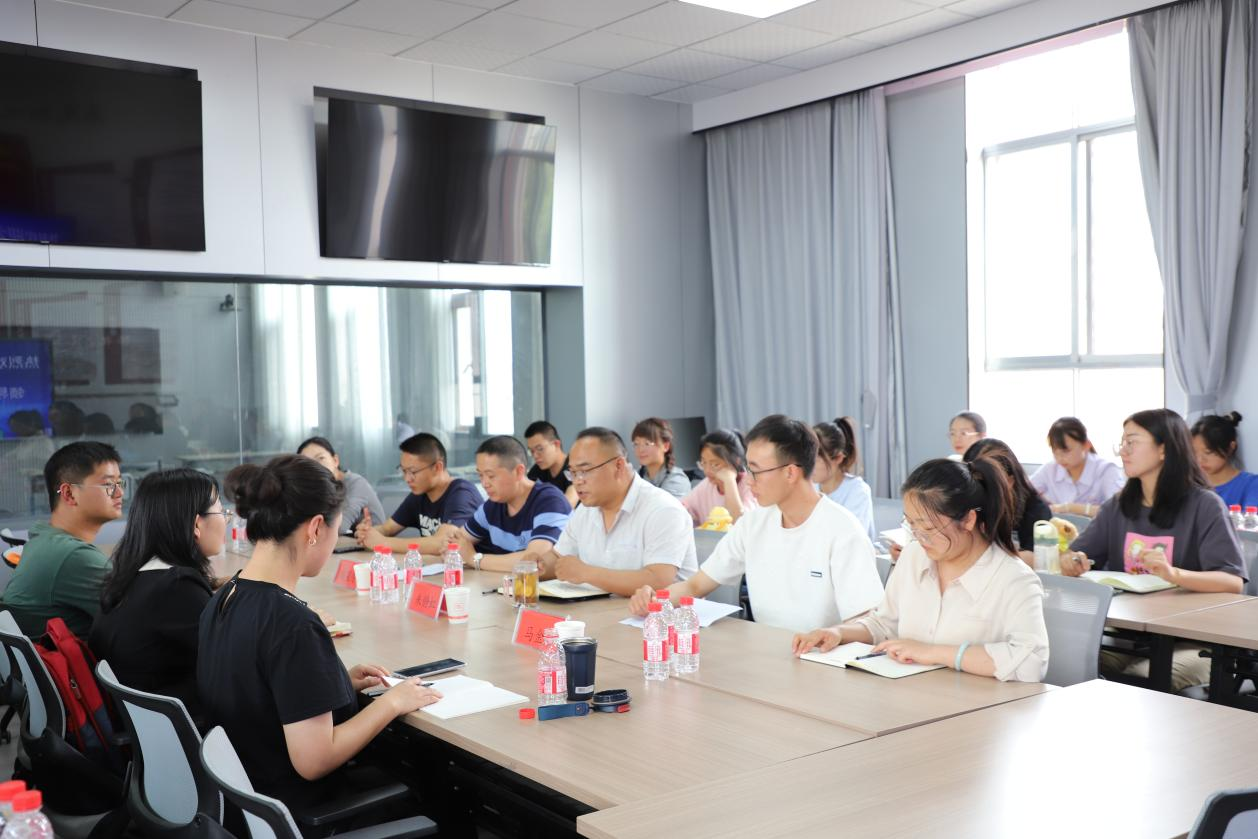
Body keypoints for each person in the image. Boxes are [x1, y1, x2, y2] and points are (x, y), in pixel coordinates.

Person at [198, 455, 441, 815]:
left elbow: (257, 690)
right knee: (439, 789)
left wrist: (335, 685)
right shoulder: (293, 623)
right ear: (315, 528)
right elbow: (314, 760)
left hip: (242, 800)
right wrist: (393, 702)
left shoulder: (226, 595)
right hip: (298, 811)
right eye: (335, 530)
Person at [792, 457, 1049, 683]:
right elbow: (885, 623)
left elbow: (1031, 662)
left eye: (927, 527)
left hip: (978, 711)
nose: (918, 536)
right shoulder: (914, 556)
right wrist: (838, 633)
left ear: (969, 519)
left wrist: (932, 652)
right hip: (910, 699)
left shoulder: (1013, 579)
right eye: (911, 524)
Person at [629, 415, 881, 634]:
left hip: (821, 661)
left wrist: (834, 635)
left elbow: (870, 623)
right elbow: (696, 585)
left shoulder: (843, 531)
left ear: (790, 472)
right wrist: (655, 599)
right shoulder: (754, 524)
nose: (749, 481)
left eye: (756, 471)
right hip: (765, 654)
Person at [1061, 409, 1246, 691]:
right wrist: (1072, 561)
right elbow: (1074, 554)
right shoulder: (1119, 505)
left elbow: (1232, 582)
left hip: (1196, 642)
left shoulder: (1205, 506)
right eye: (1122, 442)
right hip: (1132, 635)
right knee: (1073, 662)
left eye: (1132, 442)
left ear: (1163, 449)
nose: (1123, 451)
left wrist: (1174, 574)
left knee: (1144, 679)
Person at [89, 468, 225, 712]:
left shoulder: (137, 575)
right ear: (196, 524)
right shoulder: (177, 589)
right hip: (176, 720)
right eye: (221, 511)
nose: (226, 519)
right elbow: (233, 654)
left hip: (138, 713)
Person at [548, 427, 697, 596]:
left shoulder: (663, 509)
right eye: (573, 473)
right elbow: (559, 559)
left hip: (665, 612)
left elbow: (658, 580)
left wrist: (586, 573)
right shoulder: (586, 509)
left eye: (584, 471)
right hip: (604, 609)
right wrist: (534, 565)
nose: (577, 481)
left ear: (618, 465)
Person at [1, 441, 123, 637]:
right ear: (69, 493)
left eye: (120, 483)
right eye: (108, 484)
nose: (120, 493)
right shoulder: (74, 556)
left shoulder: (43, 538)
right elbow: (138, 622)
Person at [439, 436, 572, 574]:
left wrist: (474, 558)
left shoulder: (550, 502)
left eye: (491, 476)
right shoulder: (492, 506)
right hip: (503, 585)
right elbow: (456, 542)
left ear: (519, 471)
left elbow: (533, 561)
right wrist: (449, 547)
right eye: (480, 475)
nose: (484, 483)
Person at [354, 433, 481, 555]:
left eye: (413, 472)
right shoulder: (419, 495)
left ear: (437, 467)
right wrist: (367, 533)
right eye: (404, 471)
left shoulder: (462, 494)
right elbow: (387, 529)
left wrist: (383, 542)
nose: (407, 479)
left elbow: (442, 542)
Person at [963, 438, 1051, 566]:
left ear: (1009, 481)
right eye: (975, 480)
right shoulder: (966, 506)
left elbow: (1039, 557)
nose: (980, 488)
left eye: (988, 480)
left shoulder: (1036, 510)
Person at [1029, 417, 1124, 518]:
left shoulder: (1106, 470)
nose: (1060, 458)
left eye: (1066, 451)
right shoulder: (1051, 468)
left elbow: (1118, 510)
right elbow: (1024, 491)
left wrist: (1071, 508)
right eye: (1055, 451)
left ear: (1086, 445)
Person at [297, 437, 385, 533]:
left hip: (373, 540)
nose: (315, 466)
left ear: (335, 460)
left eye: (320, 458)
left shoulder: (356, 483)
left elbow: (340, 526)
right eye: (308, 463)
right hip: (346, 538)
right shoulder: (319, 488)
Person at [811, 417, 875, 543]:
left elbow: (851, 539)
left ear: (838, 458)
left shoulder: (857, 491)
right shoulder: (811, 487)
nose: (808, 465)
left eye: (815, 460)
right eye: (807, 458)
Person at [680, 428, 757, 527]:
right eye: (704, 462)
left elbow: (740, 523)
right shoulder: (706, 485)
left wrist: (729, 481)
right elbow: (680, 508)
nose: (707, 470)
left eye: (715, 464)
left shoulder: (750, 484)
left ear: (736, 461)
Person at [1191, 412, 1258, 510]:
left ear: (1230, 448)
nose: (1199, 459)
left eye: (1208, 452)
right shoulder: (1189, 486)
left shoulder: (1251, 485)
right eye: (1194, 452)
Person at [631, 417, 690, 499]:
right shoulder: (635, 477)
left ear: (665, 446)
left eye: (647, 443)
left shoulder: (676, 479)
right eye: (636, 444)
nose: (640, 449)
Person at [523, 421, 578, 507]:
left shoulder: (574, 467)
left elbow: (566, 507)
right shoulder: (538, 470)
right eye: (531, 451)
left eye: (540, 449)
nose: (535, 456)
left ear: (556, 444)